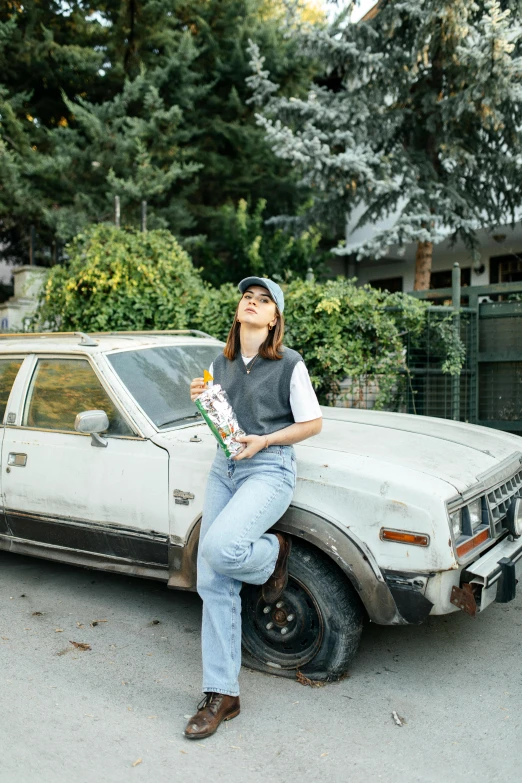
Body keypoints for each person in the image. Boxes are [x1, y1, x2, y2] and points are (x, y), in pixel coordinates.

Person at [185, 276, 322, 739]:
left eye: (264, 301)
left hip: (270, 469)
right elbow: (224, 429)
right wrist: (203, 404)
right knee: (211, 577)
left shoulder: (289, 364)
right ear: (239, 309)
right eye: (249, 297)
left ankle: (271, 553)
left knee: (221, 549)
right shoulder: (218, 363)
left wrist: (264, 439)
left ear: (273, 319)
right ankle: (222, 693)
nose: (253, 303)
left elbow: (313, 423)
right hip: (225, 469)